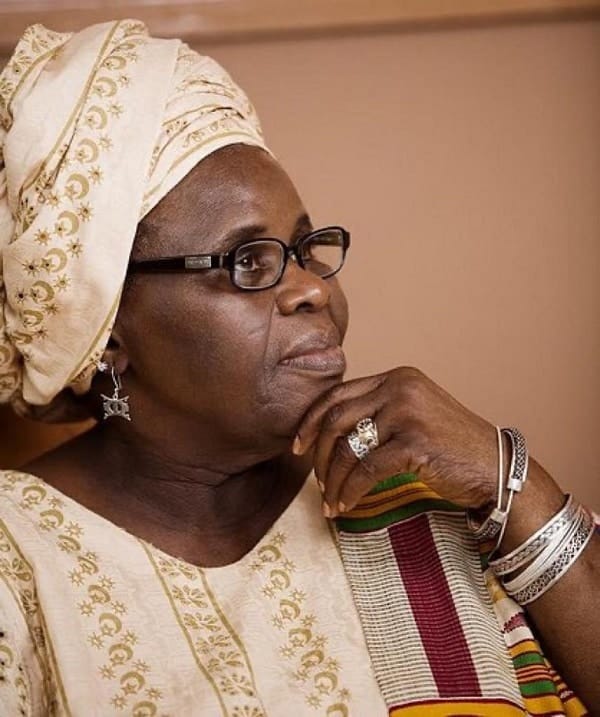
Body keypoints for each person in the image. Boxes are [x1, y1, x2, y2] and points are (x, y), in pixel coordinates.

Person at [0, 19, 597, 717]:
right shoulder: (18, 562)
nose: (312, 287)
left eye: (305, 248)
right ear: (106, 333)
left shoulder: (439, 486)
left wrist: (517, 487)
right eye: (248, 261)